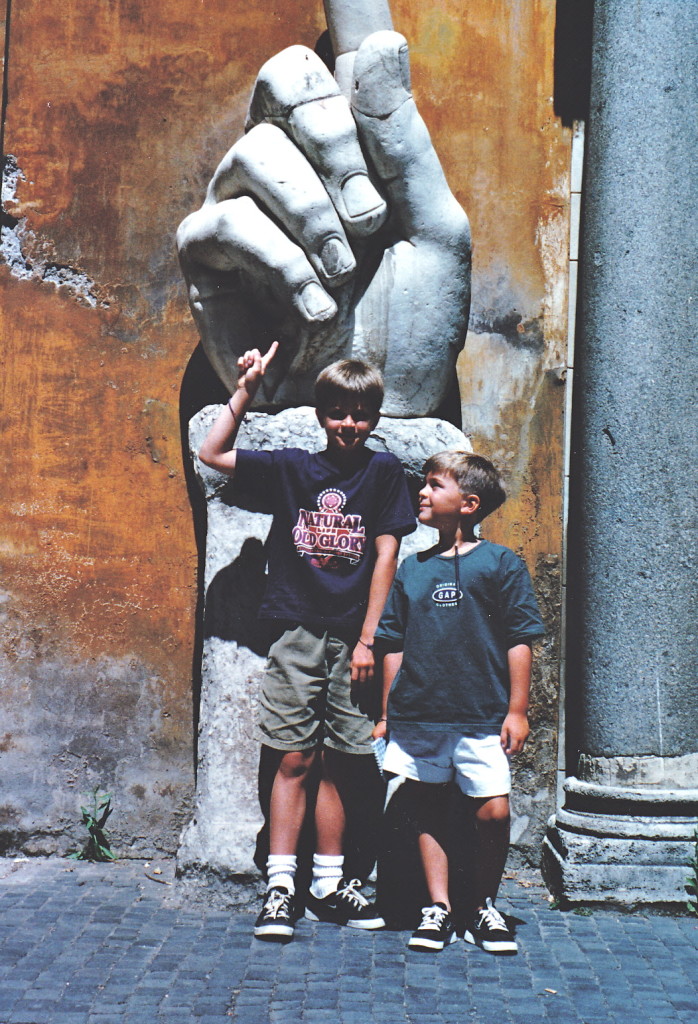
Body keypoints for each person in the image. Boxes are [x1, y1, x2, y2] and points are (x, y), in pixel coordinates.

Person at [199, 341, 416, 942]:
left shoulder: (384, 472)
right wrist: (246, 388)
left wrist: (370, 639)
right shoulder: (293, 467)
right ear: (321, 415)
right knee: (294, 756)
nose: (349, 425)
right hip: (295, 632)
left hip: (355, 640)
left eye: (362, 414)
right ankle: (281, 885)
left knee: (345, 763)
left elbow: (386, 555)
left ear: (375, 417)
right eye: (338, 413)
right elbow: (211, 452)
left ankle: (328, 882)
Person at [373, 451, 544, 954]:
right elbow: (393, 643)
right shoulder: (412, 568)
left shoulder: (501, 564)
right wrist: (387, 713)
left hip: (481, 715)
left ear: (468, 504)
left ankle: (481, 905)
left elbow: (520, 638)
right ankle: (439, 907)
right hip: (420, 713)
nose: (421, 493)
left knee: (492, 810)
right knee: (427, 806)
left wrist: (517, 709)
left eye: (432, 485)